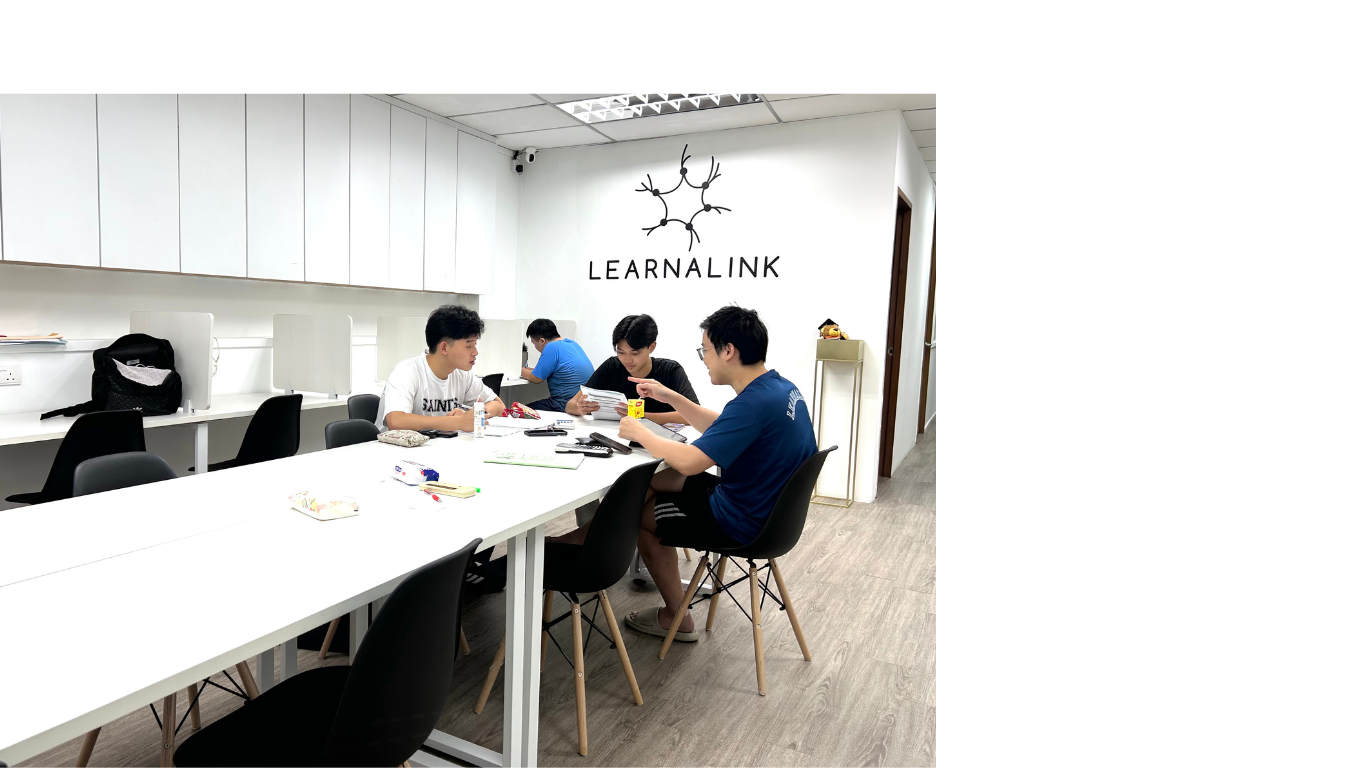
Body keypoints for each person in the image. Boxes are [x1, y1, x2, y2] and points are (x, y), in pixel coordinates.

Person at [559, 306, 818, 643]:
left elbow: (690, 463)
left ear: (728, 351)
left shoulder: (752, 405)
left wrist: (640, 431)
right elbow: (720, 426)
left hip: (741, 520)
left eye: (705, 350)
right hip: (770, 513)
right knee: (654, 480)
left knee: (643, 513)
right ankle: (586, 538)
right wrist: (670, 397)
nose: (704, 359)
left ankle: (676, 617)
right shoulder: (779, 389)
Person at [376, 304, 506, 432]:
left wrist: (474, 415)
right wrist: (457, 423)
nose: (475, 352)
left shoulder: (462, 375)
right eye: (469, 346)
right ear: (444, 348)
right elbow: (396, 421)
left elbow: (499, 406)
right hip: (394, 445)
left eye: (475, 345)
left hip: (438, 443)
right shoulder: (406, 372)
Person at [564, 314, 700, 425]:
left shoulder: (670, 371)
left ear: (651, 347)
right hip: (616, 437)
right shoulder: (612, 366)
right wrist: (580, 408)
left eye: (635, 353)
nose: (627, 360)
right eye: (621, 352)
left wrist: (640, 415)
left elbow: (694, 414)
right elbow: (570, 405)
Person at [519, 319, 593, 412]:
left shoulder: (551, 347)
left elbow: (536, 378)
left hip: (565, 403)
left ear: (542, 341)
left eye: (534, 343)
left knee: (519, 410)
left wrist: (516, 369)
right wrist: (526, 369)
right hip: (586, 403)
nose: (535, 347)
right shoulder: (572, 344)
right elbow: (544, 371)